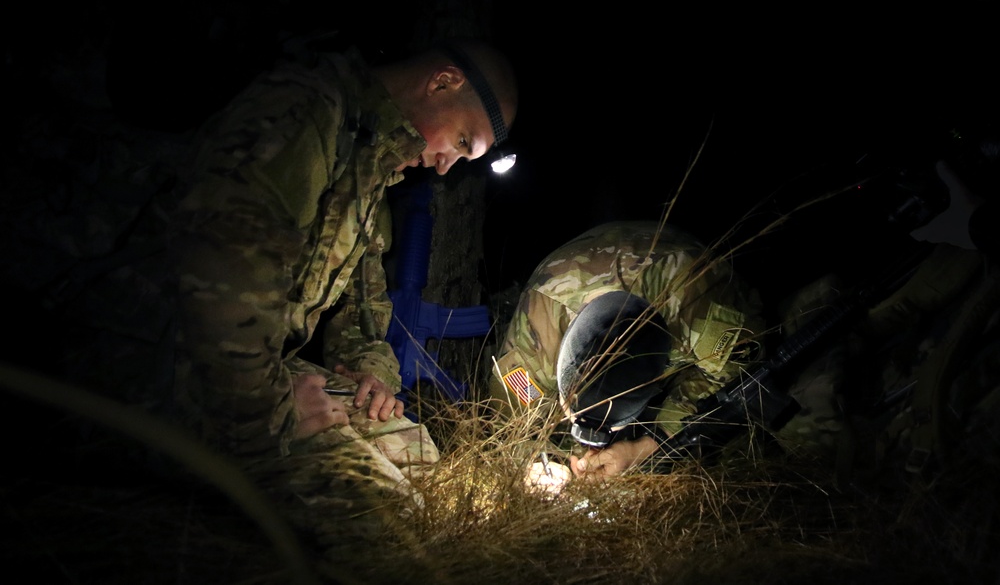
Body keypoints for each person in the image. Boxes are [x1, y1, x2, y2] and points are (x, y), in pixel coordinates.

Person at [1, 34, 518, 567]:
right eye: (461, 141)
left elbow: (362, 310)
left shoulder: (367, 160)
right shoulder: (305, 112)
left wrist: (371, 376)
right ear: (443, 82)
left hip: (253, 364)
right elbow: (219, 284)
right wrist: (271, 415)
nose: (444, 166)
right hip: (157, 354)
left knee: (417, 458)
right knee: (381, 524)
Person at [487, 220, 769, 482]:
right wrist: (534, 464)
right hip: (574, 286)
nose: (591, 439)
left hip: (682, 301)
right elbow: (508, 419)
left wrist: (648, 445)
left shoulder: (700, 308)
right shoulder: (540, 325)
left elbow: (734, 376)